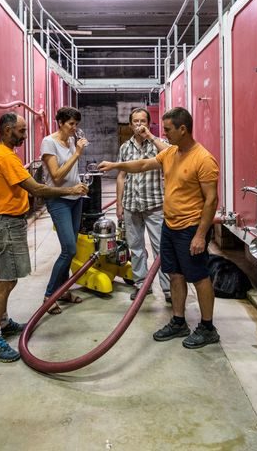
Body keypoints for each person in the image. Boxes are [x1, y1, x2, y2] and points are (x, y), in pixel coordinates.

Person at [99, 107, 220, 349]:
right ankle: (178, 321)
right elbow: (143, 164)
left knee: (199, 277)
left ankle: (208, 327)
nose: (163, 134)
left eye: (167, 130)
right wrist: (115, 164)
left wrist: (200, 235)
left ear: (182, 129)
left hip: (190, 228)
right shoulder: (171, 152)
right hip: (170, 225)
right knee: (175, 275)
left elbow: (211, 200)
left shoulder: (203, 159)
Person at [0, 112, 88, 362]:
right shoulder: (4, 157)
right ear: (7, 130)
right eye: (21, 131)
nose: (24, 135)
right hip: (6, 223)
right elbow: (36, 188)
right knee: (6, 280)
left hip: (12, 222)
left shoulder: (6, 154)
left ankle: (5, 323)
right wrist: (70, 189)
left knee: (11, 278)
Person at [115, 107, 171, 302]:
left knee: (160, 248)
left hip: (154, 204)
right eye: (136, 121)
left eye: (143, 121)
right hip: (131, 204)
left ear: (149, 123)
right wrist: (119, 204)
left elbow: (171, 154)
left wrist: (150, 136)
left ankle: (168, 288)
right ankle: (141, 285)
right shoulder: (125, 148)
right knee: (136, 247)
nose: (139, 125)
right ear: (130, 125)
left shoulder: (158, 144)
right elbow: (121, 176)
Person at [41, 106, 89, 314]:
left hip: (75, 199)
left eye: (76, 124)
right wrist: (77, 153)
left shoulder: (71, 141)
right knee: (69, 248)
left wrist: (81, 185)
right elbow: (57, 177)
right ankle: (49, 296)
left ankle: (64, 290)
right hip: (58, 200)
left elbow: (72, 173)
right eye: (71, 124)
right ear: (60, 122)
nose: (74, 128)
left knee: (71, 249)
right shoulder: (48, 143)